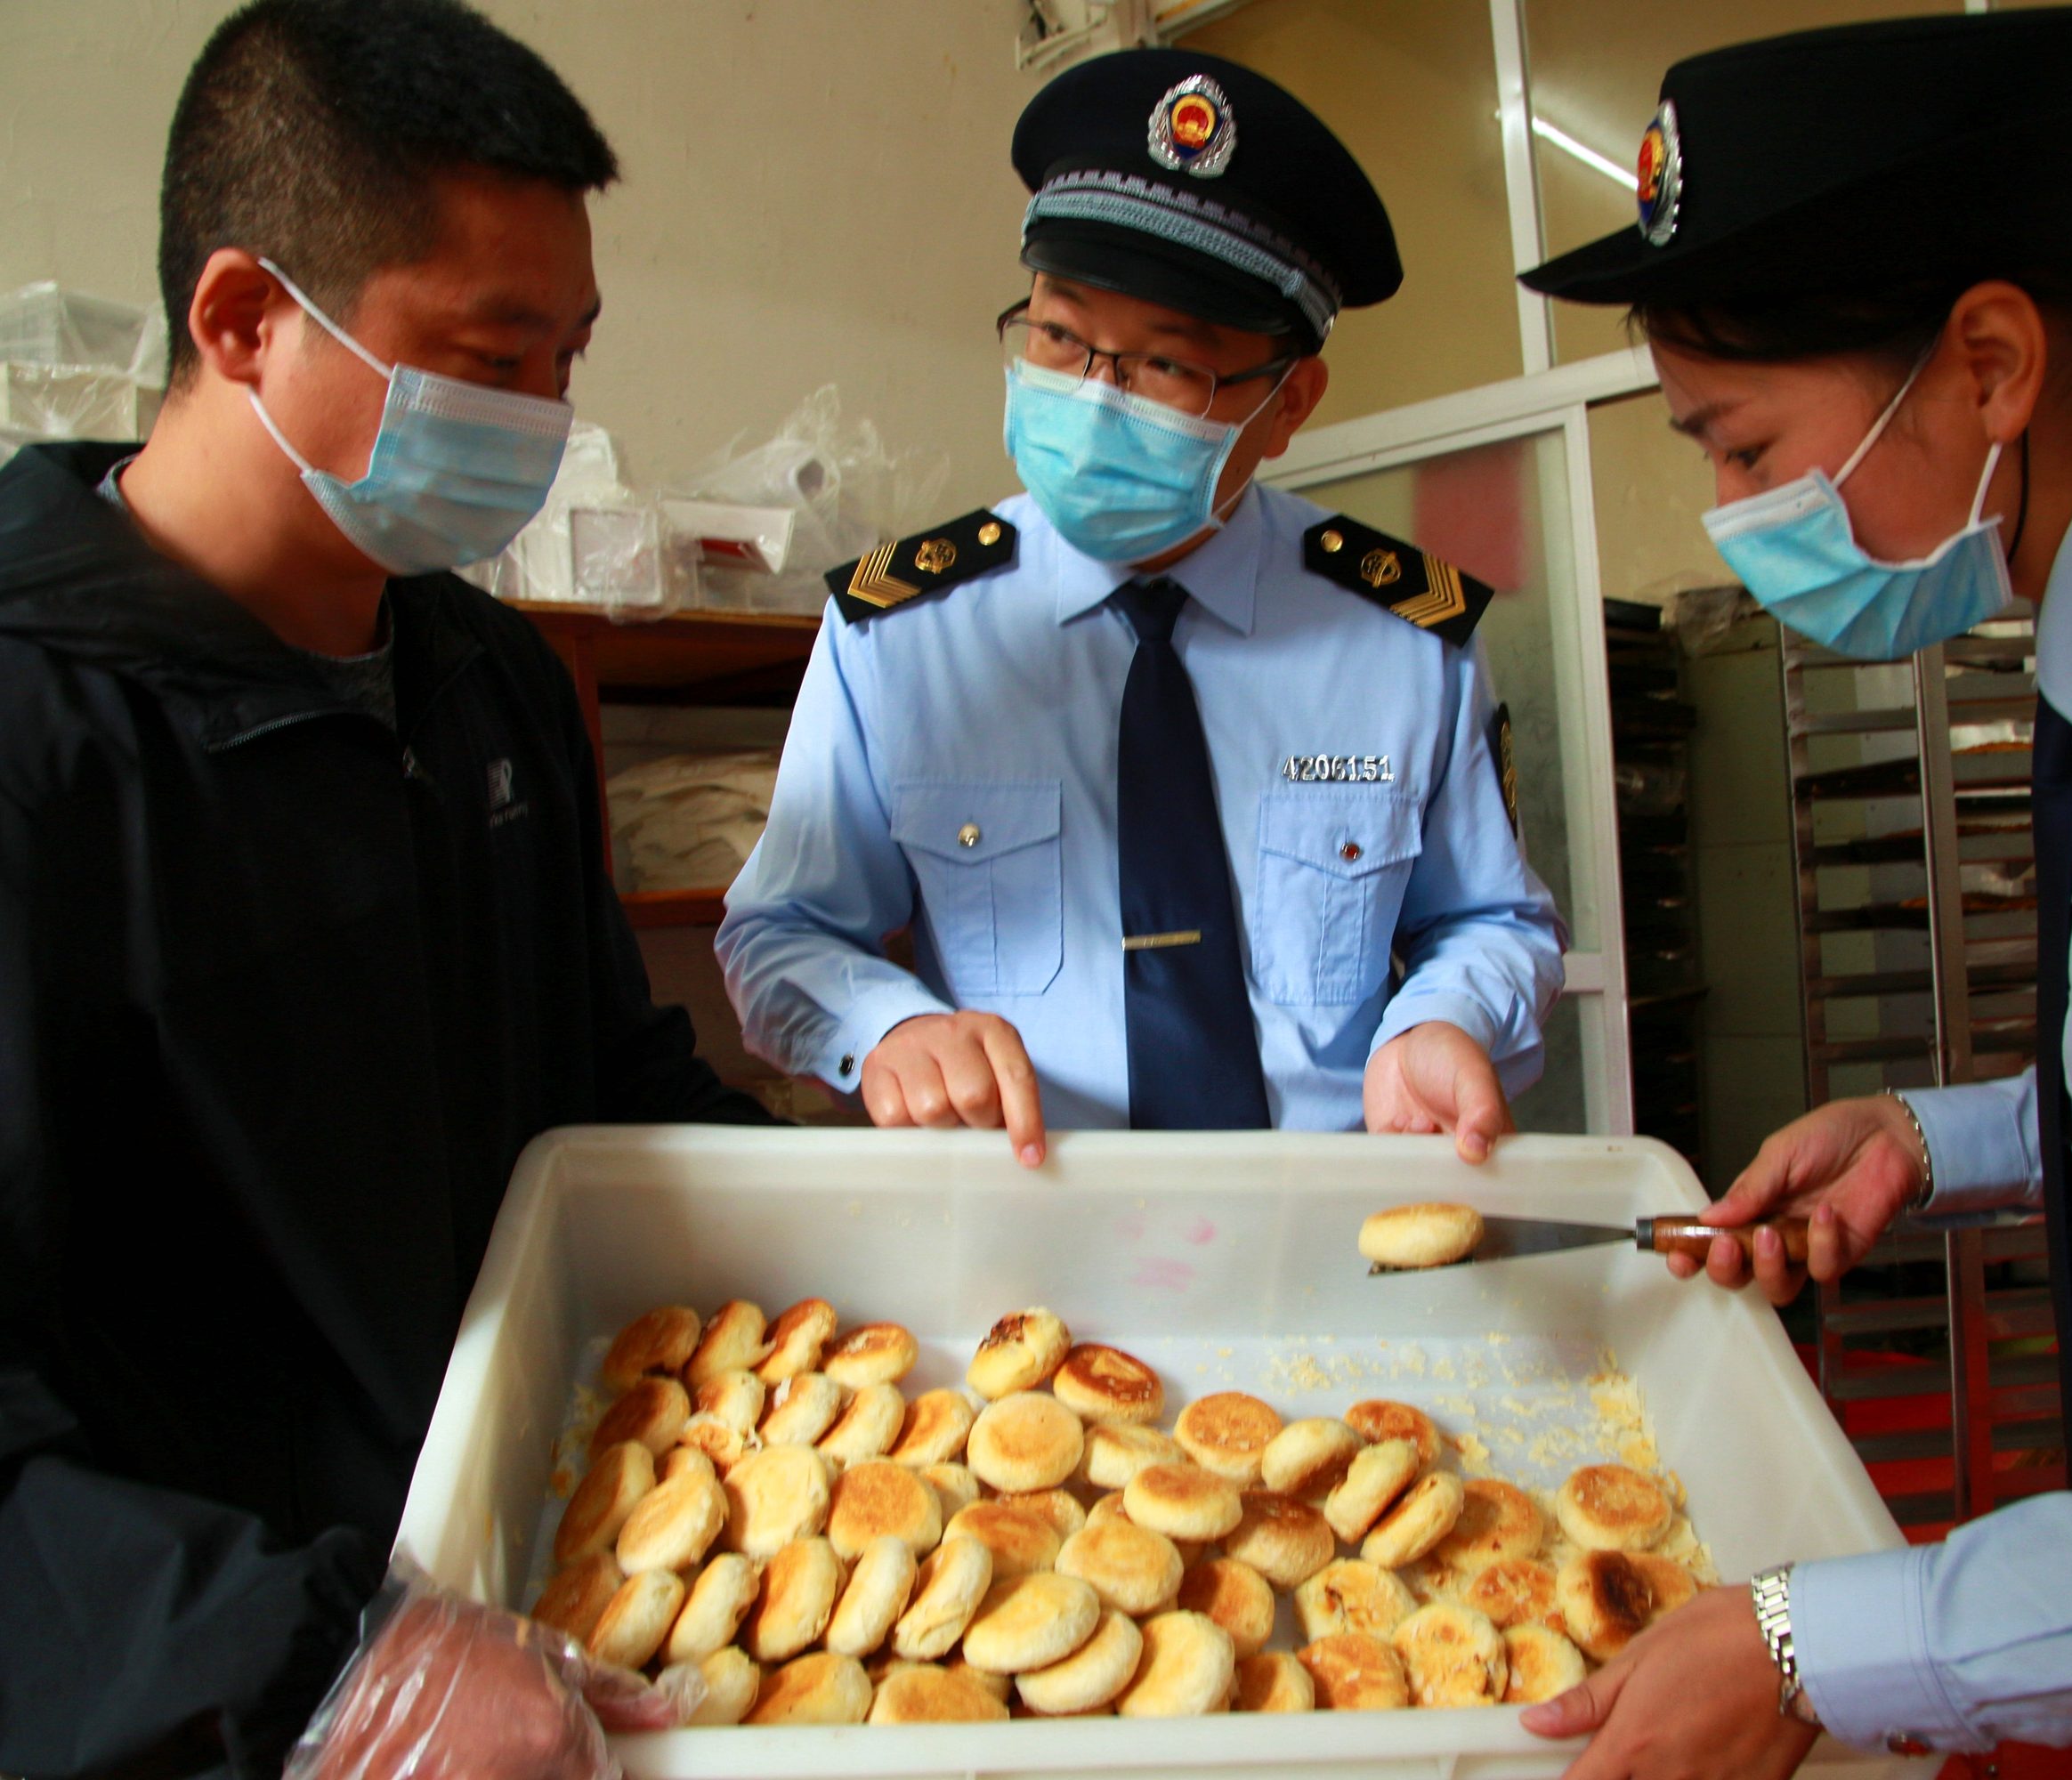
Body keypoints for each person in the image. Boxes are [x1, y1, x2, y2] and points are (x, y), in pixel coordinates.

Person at [1509, 10, 2072, 1778]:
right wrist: (1936, 1130)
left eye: (1742, 448)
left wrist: (1811, 1644)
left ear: (1988, 360)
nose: (1735, 512)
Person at [0, 3, 769, 1772]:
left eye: (566, 359)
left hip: (550, 1571)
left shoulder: (486, 681)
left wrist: (864, 1198)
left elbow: (598, 1080)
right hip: (248, 1702)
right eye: (488, 360)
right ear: (246, 318)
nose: (541, 422)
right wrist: (318, 1668)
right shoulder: (41, 743)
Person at [716, 48, 1566, 1166]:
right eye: (1060, 338)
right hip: (1025, 1242)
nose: (1094, 394)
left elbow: (1490, 921)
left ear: (1288, 400)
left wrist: (1438, 1020)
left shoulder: (1399, 636)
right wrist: (889, 1027)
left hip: (1323, 1224)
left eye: (1166, 364)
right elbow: (779, 929)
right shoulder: (902, 632)